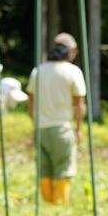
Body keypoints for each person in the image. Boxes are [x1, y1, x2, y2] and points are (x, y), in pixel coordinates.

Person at [27, 32, 86, 205]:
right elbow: (79, 104)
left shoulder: (38, 71)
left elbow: (31, 100)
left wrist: (35, 121)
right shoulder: (73, 72)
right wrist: (79, 128)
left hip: (41, 128)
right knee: (63, 169)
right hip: (62, 128)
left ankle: (47, 204)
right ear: (70, 52)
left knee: (44, 169)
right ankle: (59, 206)